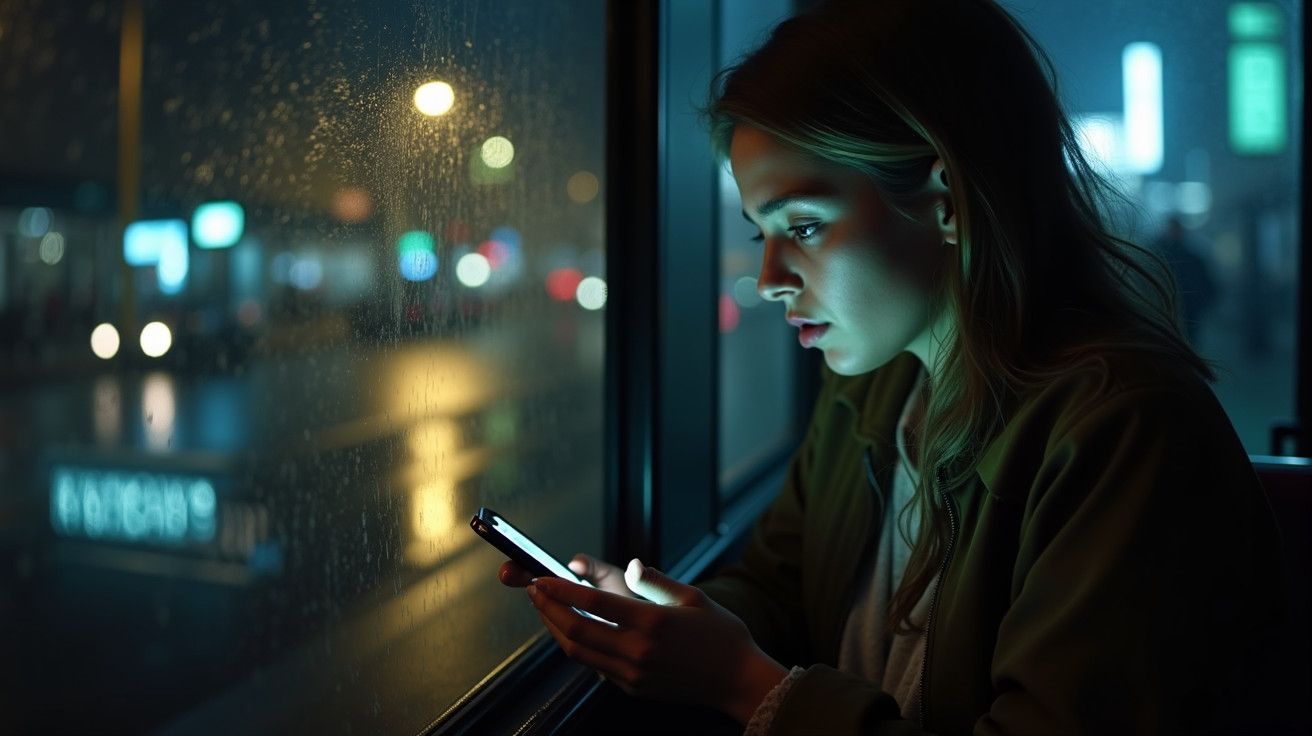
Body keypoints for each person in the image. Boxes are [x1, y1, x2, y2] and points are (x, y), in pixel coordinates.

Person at [498, 0, 1289, 733]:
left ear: (949, 200)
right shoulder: (874, 391)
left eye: (803, 226)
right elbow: (784, 587)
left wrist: (745, 685)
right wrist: (653, 620)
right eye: (759, 234)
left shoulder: (1127, 435)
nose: (770, 277)